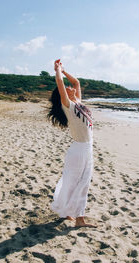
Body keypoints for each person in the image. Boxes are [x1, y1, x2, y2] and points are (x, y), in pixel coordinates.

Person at [48, 59, 96, 228]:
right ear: (63, 95)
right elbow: (60, 82)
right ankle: (75, 216)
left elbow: (76, 82)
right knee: (75, 182)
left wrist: (65, 70)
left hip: (87, 149)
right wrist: (58, 70)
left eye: (71, 88)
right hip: (79, 150)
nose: (70, 87)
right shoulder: (68, 105)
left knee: (82, 182)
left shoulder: (78, 102)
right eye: (67, 89)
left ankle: (74, 215)